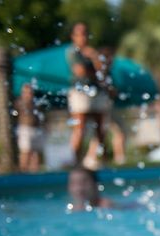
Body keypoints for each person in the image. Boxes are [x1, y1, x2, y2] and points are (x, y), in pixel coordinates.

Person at [66, 22, 110, 166]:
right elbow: (81, 71)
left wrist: (94, 57)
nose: (83, 37)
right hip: (80, 92)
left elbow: (103, 71)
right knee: (80, 127)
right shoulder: (73, 52)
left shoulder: (91, 52)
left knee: (100, 128)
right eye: (80, 34)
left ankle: (100, 161)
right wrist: (94, 64)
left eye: (85, 33)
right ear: (74, 37)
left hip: (95, 91)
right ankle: (75, 161)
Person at [15, 84, 45, 173]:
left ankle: (35, 172)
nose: (29, 95)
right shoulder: (19, 103)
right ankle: (23, 171)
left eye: (30, 92)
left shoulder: (36, 104)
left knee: (35, 153)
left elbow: (41, 118)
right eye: (26, 92)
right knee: (25, 151)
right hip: (25, 129)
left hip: (36, 130)